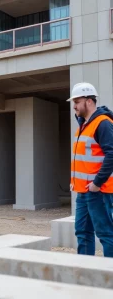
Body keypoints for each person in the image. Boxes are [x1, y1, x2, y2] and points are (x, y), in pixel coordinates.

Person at [68, 82, 113, 257]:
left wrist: (97, 183)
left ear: (88, 101)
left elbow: (111, 154)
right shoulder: (84, 124)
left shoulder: (103, 123)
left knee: (105, 234)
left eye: (77, 102)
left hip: (98, 191)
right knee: (82, 232)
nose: (74, 106)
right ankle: (85, 273)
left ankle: (109, 277)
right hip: (83, 191)